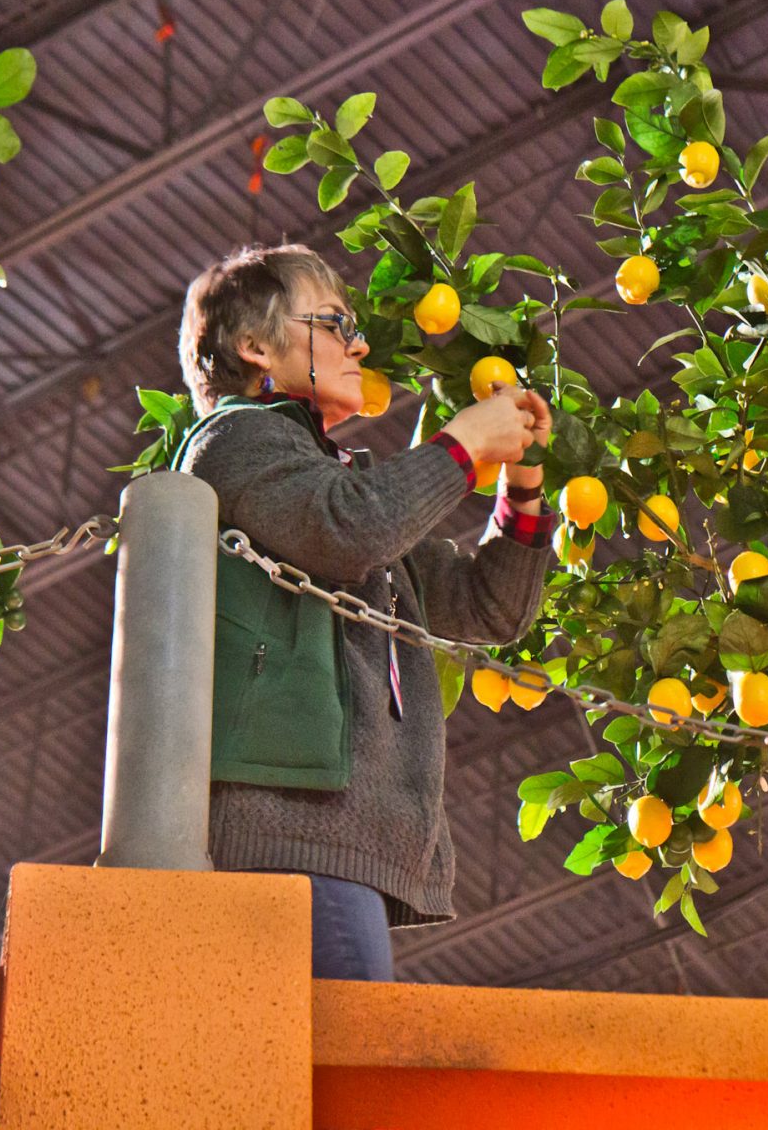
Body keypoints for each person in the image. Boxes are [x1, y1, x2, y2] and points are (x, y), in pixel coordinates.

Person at [174, 242, 556, 982]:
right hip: (289, 833)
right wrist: (466, 440)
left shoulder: (337, 485)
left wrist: (525, 482)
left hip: (339, 840)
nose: (359, 343)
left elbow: (492, 606)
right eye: (334, 322)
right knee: (340, 1080)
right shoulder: (237, 440)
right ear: (254, 346)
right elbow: (350, 529)